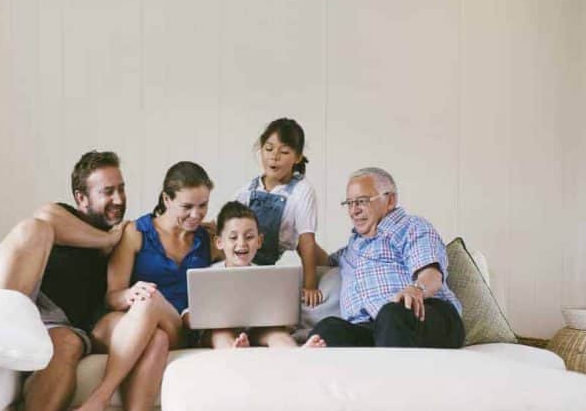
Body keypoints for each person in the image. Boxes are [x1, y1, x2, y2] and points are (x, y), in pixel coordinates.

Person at [0, 150, 129, 411]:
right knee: (35, 228)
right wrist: (106, 240)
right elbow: (44, 216)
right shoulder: (63, 216)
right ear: (81, 198)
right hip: (14, 293)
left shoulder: (127, 235)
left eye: (121, 189)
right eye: (107, 191)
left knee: (69, 345)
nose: (118, 199)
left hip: (54, 323)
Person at [66, 161, 220, 411]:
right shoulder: (137, 232)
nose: (196, 215)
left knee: (153, 305)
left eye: (203, 206)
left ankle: (99, 398)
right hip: (131, 320)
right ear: (166, 199)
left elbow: (244, 251)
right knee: (155, 338)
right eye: (187, 206)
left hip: (179, 323)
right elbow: (112, 296)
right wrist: (131, 294)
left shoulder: (208, 237)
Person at [311, 167, 465, 348]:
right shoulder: (352, 248)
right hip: (374, 328)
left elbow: (432, 274)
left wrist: (416, 289)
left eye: (362, 201)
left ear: (390, 200)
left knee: (392, 313)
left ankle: (392, 375)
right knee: (328, 329)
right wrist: (299, 237)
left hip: (423, 314)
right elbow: (324, 261)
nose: (354, 211)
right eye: (349, 203)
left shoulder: (411, 227)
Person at [197, 201, 326, 350]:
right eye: (233, 237)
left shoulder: (267, 276)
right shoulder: (208, 275)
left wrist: (284, 320)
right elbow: (192, 311)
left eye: (249, 237)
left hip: (255, 329)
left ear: (259, 241)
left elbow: (279, 310)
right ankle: (234, 352)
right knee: (221, 333)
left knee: (277, 333)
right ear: (219, 242)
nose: (242, 243)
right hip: (218, 331)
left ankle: (295, 353)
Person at [234, 118, 324, 308]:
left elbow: (306, 241)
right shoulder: (247, 191)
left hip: (281, 255)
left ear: (298, 157)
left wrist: (310, 286)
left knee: (332, 267)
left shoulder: (301, 190)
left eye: (284, 152)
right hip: (246, 261)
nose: (274, 156)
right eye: (268, 149)